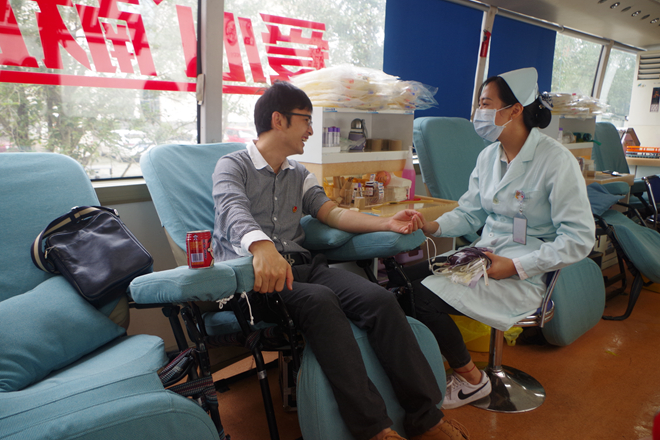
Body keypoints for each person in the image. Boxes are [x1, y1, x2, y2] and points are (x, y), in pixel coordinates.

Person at [211, 81, 470, 440]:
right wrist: (262, 247)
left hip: (302, 267)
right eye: (306, 120)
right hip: (253, 277)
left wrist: (386, 223)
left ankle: (426, 418)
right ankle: (374, 429)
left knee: (379, 299)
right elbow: (231, 210)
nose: (311, 130)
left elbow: (333, 213)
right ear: (278, 120)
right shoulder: (232, 165)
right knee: (320, 300)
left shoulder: (298, 173)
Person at [387, 67, 596, 410]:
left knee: (421, 297)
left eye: (486, 104)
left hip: (524, 271)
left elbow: (579, 239)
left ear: (515, 110)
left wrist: (515, 266)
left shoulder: (556, 161)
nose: (478, 112)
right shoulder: (488, 156)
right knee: (400, 282)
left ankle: (472, 380)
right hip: (483, 257)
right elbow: (470, 213)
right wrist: (430, 226)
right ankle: (427, 365)